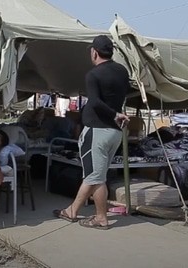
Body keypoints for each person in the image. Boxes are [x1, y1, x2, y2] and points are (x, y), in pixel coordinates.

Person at [52, 35, 130, 230]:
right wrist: (116, 113)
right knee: (95, 175)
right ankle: (72, 211)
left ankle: (101, 217)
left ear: (94, 52)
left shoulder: (94, 75)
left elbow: (94, 102)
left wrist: (114, 114)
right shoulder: (122, 71)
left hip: (97, 131)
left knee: (96, 178)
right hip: (114, 133)